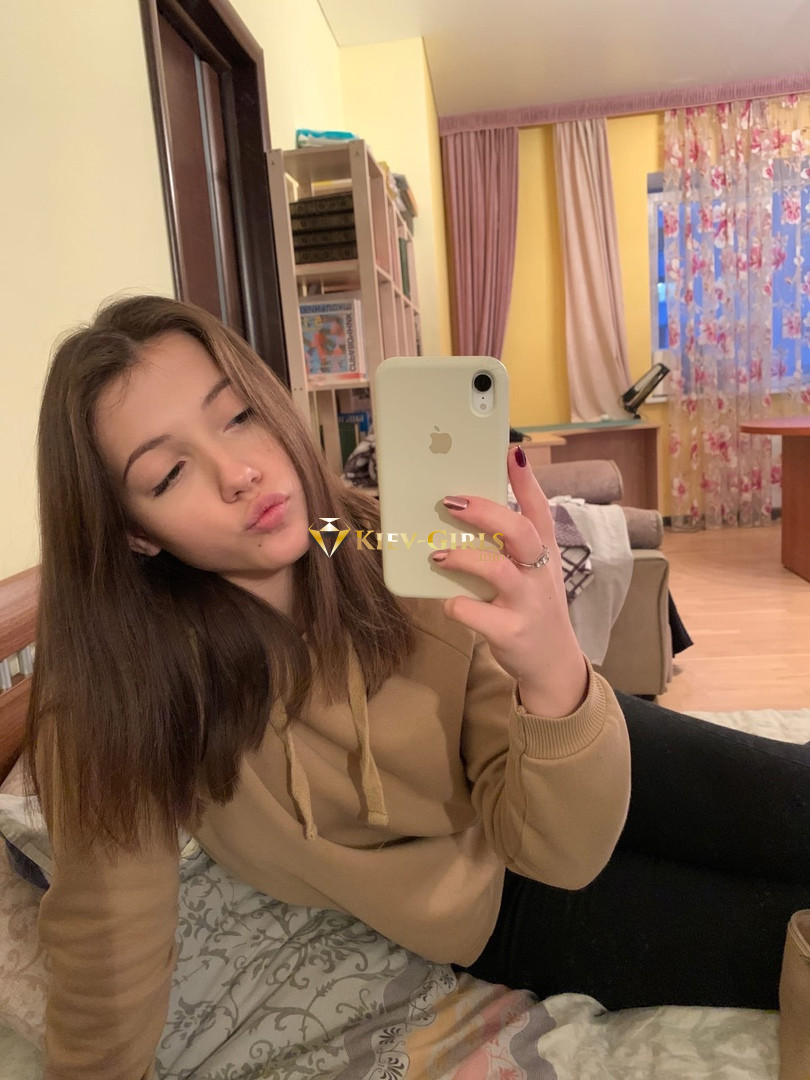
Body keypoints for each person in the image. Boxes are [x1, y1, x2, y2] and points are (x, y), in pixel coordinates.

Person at [26, 296, 807, 1078]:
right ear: (134, 531)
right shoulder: (121, 681)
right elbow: (106, 941)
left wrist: (553, 673)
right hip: (495, 901)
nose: (239, 474)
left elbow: (549, 795)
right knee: (779, 935)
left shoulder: (380, 541)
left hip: (564, 757)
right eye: (167, 474)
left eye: (238, 416)